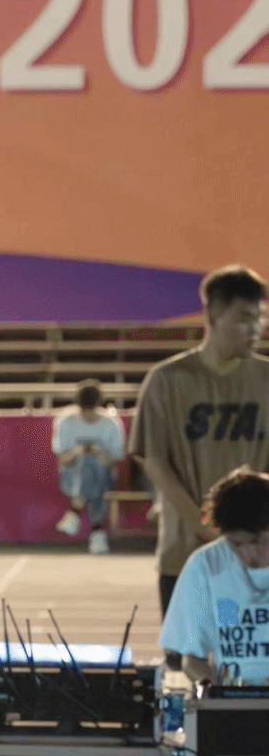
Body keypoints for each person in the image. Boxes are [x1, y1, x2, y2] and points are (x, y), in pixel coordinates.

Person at [129, 264, 269, 620]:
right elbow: (154, 461)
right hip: (185, 554)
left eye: (260, 318)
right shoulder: (166, 380)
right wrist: (205, 525)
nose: (256, 328)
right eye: (245, 318)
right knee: (186, 653)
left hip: (258, 556)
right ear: (212, 316)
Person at [161, 467, 269, 686]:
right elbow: (192, 660)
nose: (248, 555)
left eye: (258, 542)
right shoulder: (204, 566)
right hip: (230, 698)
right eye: (236, 544)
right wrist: (216, 690)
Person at [52, 379, 125, 554]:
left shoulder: (111, 423)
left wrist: (99, 454)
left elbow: (115, 460)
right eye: (85, 410)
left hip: (104, 477)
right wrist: (79, 452)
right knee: (86, 462)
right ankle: (97, 531)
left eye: (91, 409)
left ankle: (75, 512)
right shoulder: (66, 421)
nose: (88, 415)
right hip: (71, 478)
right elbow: (63, 460)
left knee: (94, 466)